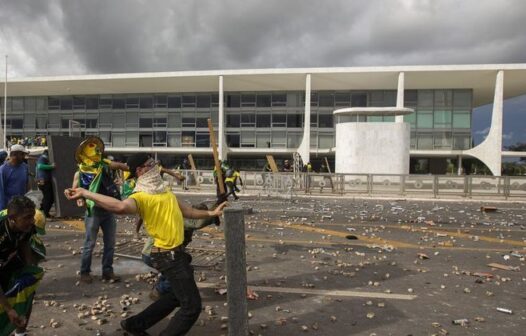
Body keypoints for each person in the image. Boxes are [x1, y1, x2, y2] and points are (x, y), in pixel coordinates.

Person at [65, 153, 227, 336]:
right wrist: (85, 192)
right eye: (150, 164)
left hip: (177, 254)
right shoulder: (140, 196)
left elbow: (188, 212)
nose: (155, 166)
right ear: (140, 171)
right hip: (168, 256)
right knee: (191, 307)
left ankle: (134, 324)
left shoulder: (165, 192)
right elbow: (120, 207)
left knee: (175, 296)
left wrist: (211, 213)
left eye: (154, 162)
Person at [73, 137, 125, 284]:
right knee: (89, 244)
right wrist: (79, 198)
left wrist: (126, 166)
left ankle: (107, 272)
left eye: (97, 150)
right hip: (93, 212)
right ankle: (84, 272)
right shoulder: (80, 173)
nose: (96, 152)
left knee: (110, 243)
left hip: (108, 211)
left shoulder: (105, 166)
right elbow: (75, 190)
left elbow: (118, 166)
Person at [0, 196, 46, 336]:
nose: (32, 221)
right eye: (27, 217)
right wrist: (9, 309)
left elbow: (24, 243)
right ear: (12, 219)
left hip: (10, 263)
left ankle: (20, 333)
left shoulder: (27, 227)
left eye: (32, 216)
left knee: (28, 291)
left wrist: (28, 269)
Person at [0, 145, 29, 210]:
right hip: (7, 207)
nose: (24, 157)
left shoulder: (24, 166)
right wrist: (2, 210)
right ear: (14, 154)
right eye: (22, 154)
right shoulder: (3, 170)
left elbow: (26, 183)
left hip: (20, 205)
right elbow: (1, 191)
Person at [36, 150, 55, 218]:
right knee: (49, 197)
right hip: (44, 181)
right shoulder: (42, 158)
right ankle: (45, 213)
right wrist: (51, 166)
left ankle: (42, 210)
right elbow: (40, 166)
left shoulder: (43, 159)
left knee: (47, 197)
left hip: (43, 181)